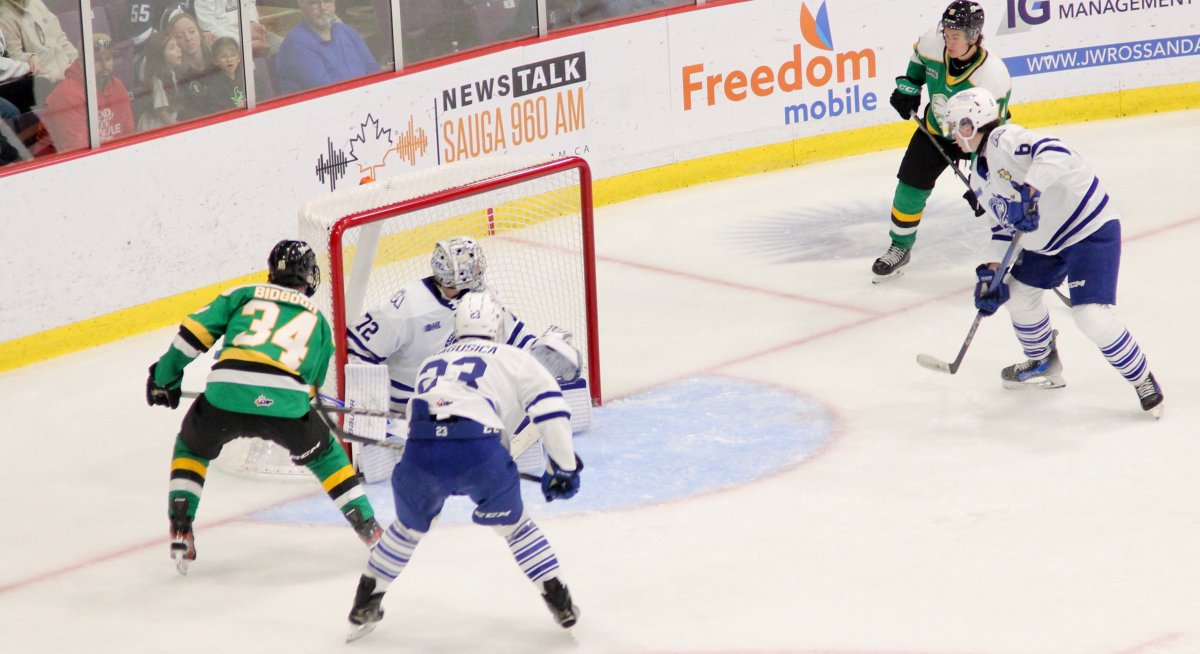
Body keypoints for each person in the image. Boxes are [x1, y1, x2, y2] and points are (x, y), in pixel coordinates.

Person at [344, 290, 583, 642]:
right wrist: (563, 468)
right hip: (479, 452)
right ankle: (559, 601)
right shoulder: (515, 358)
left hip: (420, 453)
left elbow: (415, 419)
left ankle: (365, 601)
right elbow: (551, 414)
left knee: (406, 531)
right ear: (496, 324)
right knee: (516, 528)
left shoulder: (431, 362)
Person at [146, 240, 384, 575]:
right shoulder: (318, 320)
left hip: (225, 396)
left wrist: (163, 378)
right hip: (286, 405)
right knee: (327, 456)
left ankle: (181, 528)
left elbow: (192, 334)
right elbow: (312, 386)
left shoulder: (244, 293)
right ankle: (368, 528)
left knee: (192, 447)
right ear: (309, 276)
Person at [943, 87, 1164, 417]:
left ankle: (1142, 378)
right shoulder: (978, 176)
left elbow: (1056, 151)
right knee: (1018, 295)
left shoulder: (1004, 139)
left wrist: (1030, 192)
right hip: (1045, 245)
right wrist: (992, 273)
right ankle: (1044, 363)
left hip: (1089, 229)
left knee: (1089, 315)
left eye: (956, 126)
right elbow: (1003, 228)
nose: (953, 135)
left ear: (974, 123)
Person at [871, 0, 1012, 281]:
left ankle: (1014, 252)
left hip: (976, 140)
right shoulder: (932, 43)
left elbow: (996, 131)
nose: (948, 40)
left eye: (955, 35)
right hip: (935, 129)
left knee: (994, 198)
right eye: (946, 33)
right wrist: (910, 87)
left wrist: (983, 173)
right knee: (909, 186)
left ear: (974, 36)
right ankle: (900, 246)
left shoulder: (992, 76)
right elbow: (918, 61)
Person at [42, 34, 134, 151]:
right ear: (81, 63)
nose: (104, 65)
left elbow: (129, 134)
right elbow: (78, 152)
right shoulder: (67, 95)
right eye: (97, 60)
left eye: (108, 58)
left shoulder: (118, 87)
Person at [273, 0, 379, 95]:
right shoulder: (296, 45)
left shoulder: (347, 31)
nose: (322, 7)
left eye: (327, 1)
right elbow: (327, 91)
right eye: (314, 3)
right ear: (301, 7)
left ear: (334, 5)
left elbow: (373, 68)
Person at [0, 0, 78, 106]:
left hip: (71, 73)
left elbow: (61, 38)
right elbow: (16, 57)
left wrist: (78, 62)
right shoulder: (4, 16)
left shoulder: (36, 3)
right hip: (48, 83)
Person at [166, 8, 225, 120]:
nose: (188, 38)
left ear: (200, 33)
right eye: (180, 36)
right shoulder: (174, 77)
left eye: (192, 31)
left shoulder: (218, 61)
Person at [136, 31, 183, 132]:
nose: (178, 50)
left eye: (177, 46)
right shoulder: (158, 80)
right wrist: (180, 127)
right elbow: (163, 113)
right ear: (159, 55)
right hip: (156, 127)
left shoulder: (172, 73)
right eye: (172, 48)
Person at [204, 36, 246, 109]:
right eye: (224, 57)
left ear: (239, 58)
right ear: (215, 61)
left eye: (233, 55)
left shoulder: (246, 76)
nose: (229, 60)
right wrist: (235, 107)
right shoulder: (214, 86)